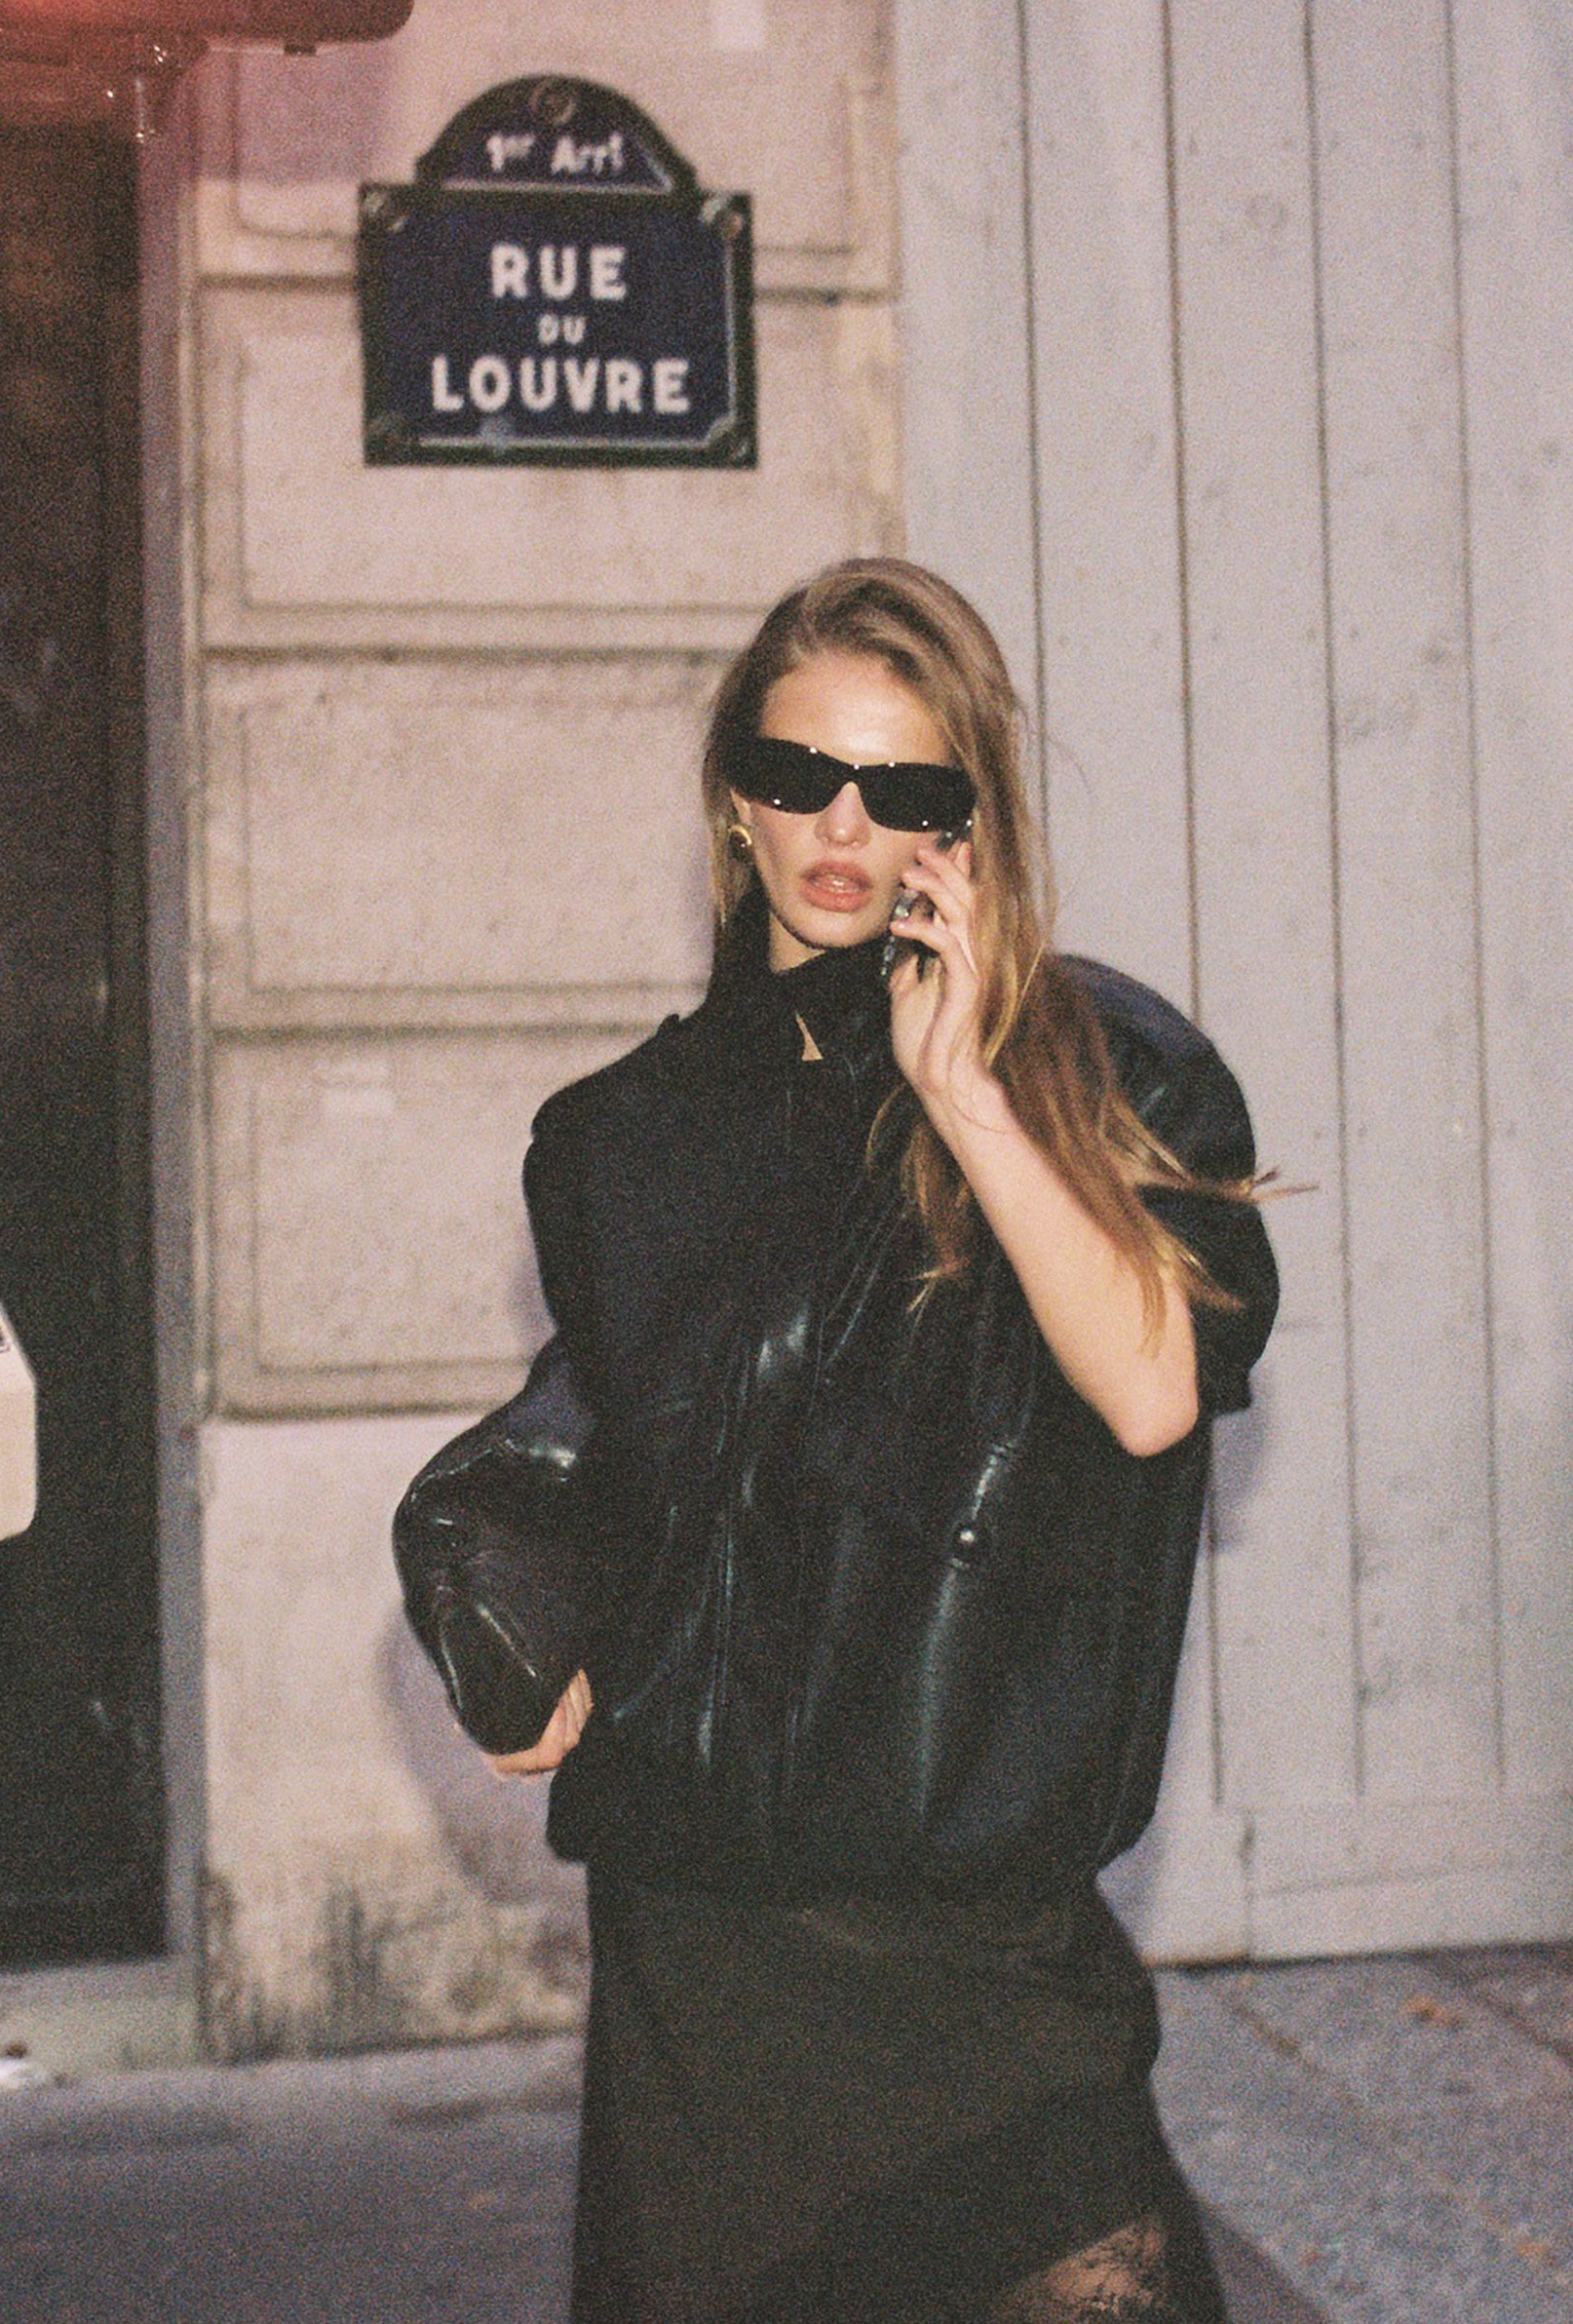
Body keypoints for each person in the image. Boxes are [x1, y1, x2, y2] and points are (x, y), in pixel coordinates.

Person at [397, 559, 1278, 2323]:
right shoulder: (621, 1136)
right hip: (709, 1935)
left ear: (968, 817)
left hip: (976, 1936)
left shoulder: (1111, 1066)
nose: (843, 827)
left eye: (903, 786)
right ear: (734, 796)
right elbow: (633, 1445)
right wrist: (511, 1597)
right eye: (799, 774)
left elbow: (1151, 1390)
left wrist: (965, 1094)